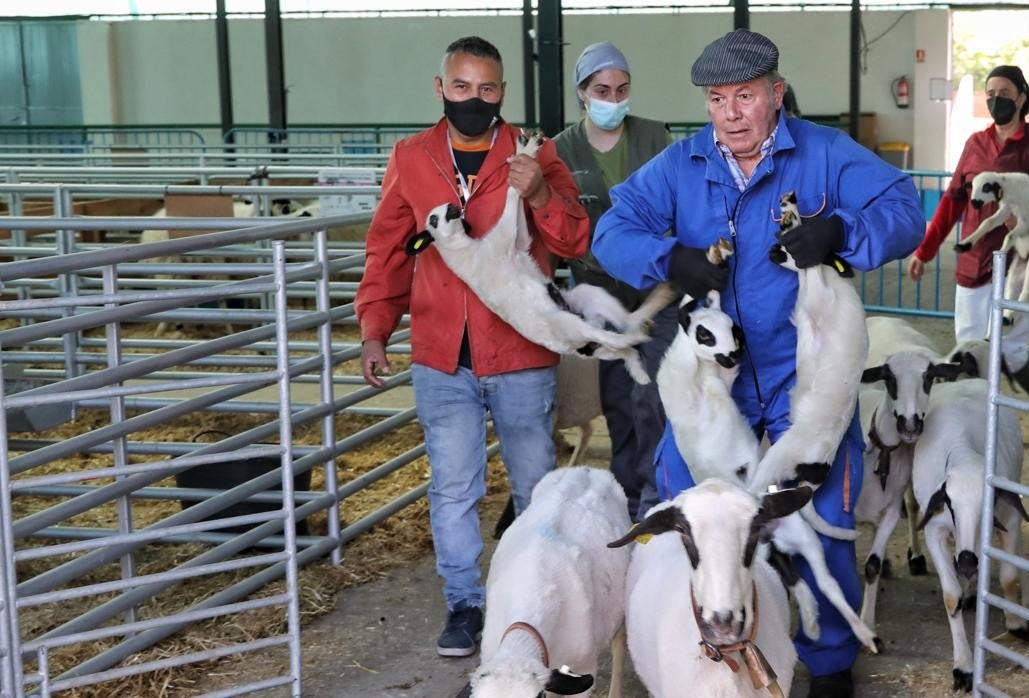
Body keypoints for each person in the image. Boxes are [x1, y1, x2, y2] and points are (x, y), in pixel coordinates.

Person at [592, 28, 925, 698]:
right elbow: (612, 229)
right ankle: (691, 647)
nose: (733, 113)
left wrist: (843, 235)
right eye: (719, 99)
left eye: (746, 96)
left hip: (805, 379)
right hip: (716, 388)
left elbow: (906, 207)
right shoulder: (683, 165)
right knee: (689, 513)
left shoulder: (824, 154)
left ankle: (828, 667)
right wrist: (669, 260)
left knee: (825, 517)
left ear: (775, 94)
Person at [354, 36, 588, 658]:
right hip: (440, 351)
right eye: (462, 87)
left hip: (518, 350)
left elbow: (572, 240)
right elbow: (388, 248)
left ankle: (538, 596)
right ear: (440, 88)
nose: (473, 99)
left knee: (534, 482)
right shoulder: (411, 158)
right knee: (454, 486)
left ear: (501, 92)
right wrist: (376, 327)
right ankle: (466, 605)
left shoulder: (535, 152)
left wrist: (539, 193)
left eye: (486, 89)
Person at [906, 65, 1029, 437]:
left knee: (1010, 347)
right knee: (970, 345)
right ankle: (976, 420)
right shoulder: (975, 145)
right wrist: (926, 249)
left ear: (1021, 97)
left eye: (1003, 92)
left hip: (1019, 262)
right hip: (974, 259)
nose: (995, 99)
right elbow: (953, 202)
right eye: (990, 93)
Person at [552, 42, 675, 522]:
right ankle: (629, 501)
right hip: (598, 294)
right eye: (602, 90)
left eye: (622, 90)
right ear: (582, 93)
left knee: (657, 394)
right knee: (618, 399)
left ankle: (659, 495)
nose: (613, 99)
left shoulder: (653, 137)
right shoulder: (561, 150)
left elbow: (673, 205)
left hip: (652, 288)